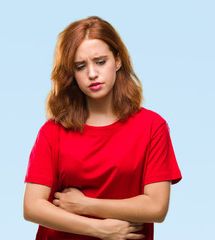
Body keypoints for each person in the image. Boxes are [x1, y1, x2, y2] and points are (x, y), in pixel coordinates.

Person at [23, 16, 182, 240]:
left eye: (100, 61)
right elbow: (32, 207)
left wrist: (85, 205)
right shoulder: (53, 131)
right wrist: (100, 229)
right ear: (72, 74)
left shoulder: (152, 126)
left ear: (117, 61)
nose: (92, 74)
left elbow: (156, 207)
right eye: (80, 66)